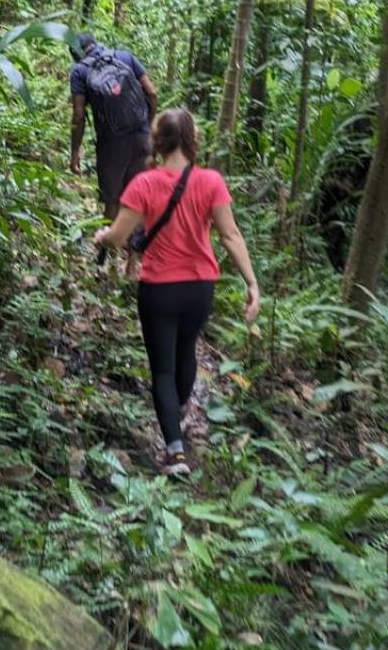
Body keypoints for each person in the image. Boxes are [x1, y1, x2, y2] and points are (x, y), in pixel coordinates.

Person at [94, 109, 260, 475]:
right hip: (200, 287)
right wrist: (252, 283)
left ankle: (175, 451)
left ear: (158, 141)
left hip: (159, 289)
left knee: (163, 371)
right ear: (192, 139)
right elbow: (231, 236)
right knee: (187, 353)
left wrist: (101, 237)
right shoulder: (212, 181)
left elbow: (120, 237)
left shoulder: (144, 183)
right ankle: (178, 413)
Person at [69, 32, 158, 220]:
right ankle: (136, 247)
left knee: (112, 202)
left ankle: (108, 247)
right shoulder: (125, 57)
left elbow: (79, 115)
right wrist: (148, 127)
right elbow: (151, 92)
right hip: (141, 137)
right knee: (140, 200)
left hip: (111, 145)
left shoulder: (79, 71)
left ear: (76, 54)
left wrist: (75, 151)